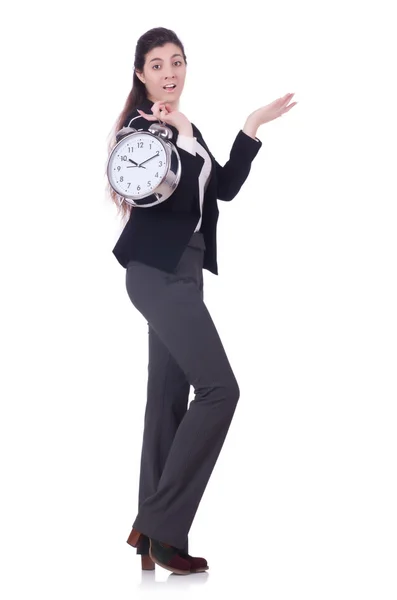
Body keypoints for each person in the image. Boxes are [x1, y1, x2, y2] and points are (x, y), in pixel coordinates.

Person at [106, 27, 297, 576]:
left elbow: (226, 186)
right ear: (140, 74)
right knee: (220, 390)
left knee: (167, 399)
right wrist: (181, 132)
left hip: (187, 274)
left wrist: (252, 126)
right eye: (158, 64)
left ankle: (152, 535)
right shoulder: (142, 130)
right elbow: (149, 182)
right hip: (153, 273)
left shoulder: (188, 130)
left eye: (178, 62)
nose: (170, 72)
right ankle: (161, 526)